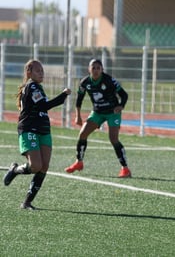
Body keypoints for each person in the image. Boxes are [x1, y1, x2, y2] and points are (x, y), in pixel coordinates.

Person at [3, 59, 71, 210]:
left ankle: (27, 202)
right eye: (38, 71)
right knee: (36, 166)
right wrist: (63, 95)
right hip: (29, 130)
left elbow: (42, 108)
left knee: (44, 166)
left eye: (42, 71)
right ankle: (14, 170)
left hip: (44, 130)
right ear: (29, 73)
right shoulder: (32, 86)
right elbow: (44, 106)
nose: (41, 73)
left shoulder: (38, 87)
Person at [64, 59, 131, 178]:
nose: (95, 70)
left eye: (98, 68)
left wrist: (121, 106)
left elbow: (124, 95)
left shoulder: (109, 80)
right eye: (93, 68)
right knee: (82, 134)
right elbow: (79, 99)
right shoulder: (84, 82)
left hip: (112, 112)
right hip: (97, 112)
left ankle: (125, 169)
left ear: (102, 70)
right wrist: (78, 116)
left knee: (113, 139)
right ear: (89, 69)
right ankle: (79, 162)